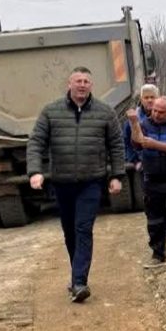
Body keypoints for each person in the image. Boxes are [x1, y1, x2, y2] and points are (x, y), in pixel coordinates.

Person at [27, 66, 124, 303]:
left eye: (86, 81)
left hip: (91, 182)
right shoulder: (51, 112)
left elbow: (116, 145)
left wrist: (116, 175)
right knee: (70, 231)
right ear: (69, 84)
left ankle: (80, 281)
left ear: (91, 85)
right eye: (78, 81)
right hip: (62, 182)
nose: (82, 85)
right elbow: (36, 142)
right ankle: (76, 276)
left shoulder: (105, 112)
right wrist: (35, 171)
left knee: (83, 228)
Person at [127, 96, 166, 267]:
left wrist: (156, 145)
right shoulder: (145, 124)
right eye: (154, 110)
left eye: (161, 112)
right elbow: (137, 144)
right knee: (154, 220)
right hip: (151, 179)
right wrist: (134, 123)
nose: (156, 114)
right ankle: (158, 254)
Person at [123, 84, 160, 170]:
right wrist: (135, 161)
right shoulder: (133, 118)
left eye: (152, 97)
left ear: (157, 98)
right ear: (141, 99)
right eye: (146, 97)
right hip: (141, 167)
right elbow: (126, 142)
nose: (150, 100)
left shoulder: (165, 117)